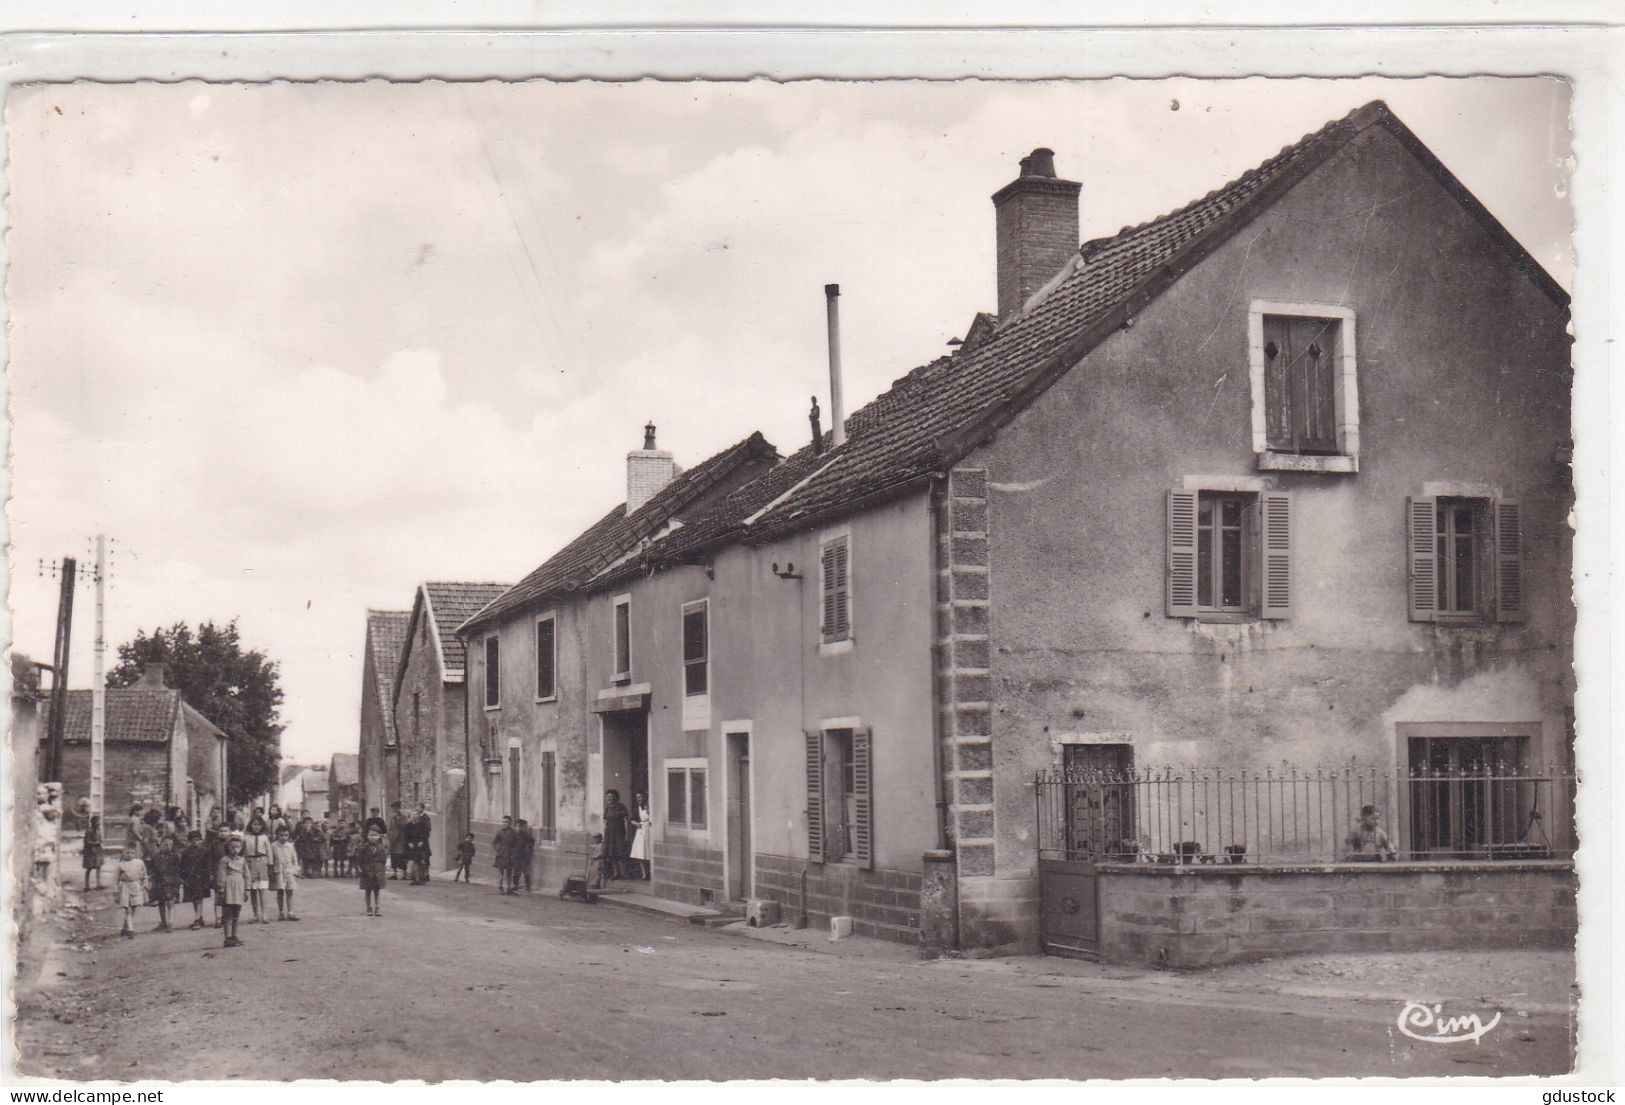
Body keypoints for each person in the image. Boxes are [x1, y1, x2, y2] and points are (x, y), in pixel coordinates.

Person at [216, 834, 249, 948]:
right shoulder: (224, 860)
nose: (235, 850)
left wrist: (247, 889)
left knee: (236, 913)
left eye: (238, 847)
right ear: (227, 848)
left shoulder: (242, 860)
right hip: (228, 888)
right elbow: (221, 876)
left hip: (239, 888)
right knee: (227, 914)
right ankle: (227, 938)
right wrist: (221, 889)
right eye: (232, 847)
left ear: (241, 848)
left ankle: (234, 936)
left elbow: (246, 875)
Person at [148, 833, 182, 932]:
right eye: (166, 845)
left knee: (170, 902)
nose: (168, 847)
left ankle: (170, 922)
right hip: (159, 882)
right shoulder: (156, 856)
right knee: (161, 902)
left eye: (171, 845)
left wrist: (177, 882)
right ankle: (163, 922)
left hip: (171, 882)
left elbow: (178, 870)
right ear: (161, 844)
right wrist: (151, 880)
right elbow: (152, 869)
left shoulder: (174, 856)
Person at [113, 842, 148, 940]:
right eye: (127, 852)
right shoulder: (120, 865)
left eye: (132, 853)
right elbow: (115, 879)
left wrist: (145, 884)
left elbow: (144, 874)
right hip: (124, 888)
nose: (129, 855)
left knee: (133, 908)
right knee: (127, 909)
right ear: (123, 853)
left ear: (135, 854)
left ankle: (125, 927)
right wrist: (115, 891)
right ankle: (131, 930)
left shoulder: (139, 862)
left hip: (136, 886)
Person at [242, 812, 273, 922]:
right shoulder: (246, 837)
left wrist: (270, 864)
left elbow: (269, 851)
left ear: (262, 826)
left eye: (259, 825)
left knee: (262, 890)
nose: (256, 827)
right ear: (250, 825)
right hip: (250, 863)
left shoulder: (264, 837)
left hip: (262, 862)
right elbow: (244, 852)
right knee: (253, 890)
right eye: (254, 824)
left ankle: (264, 914)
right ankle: (256, 915)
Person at [179, 829, 212, 929]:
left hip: (201, 878)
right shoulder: (185, 852)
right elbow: (182, 865)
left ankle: (197, 919)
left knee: (199, 898)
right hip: (190, 878)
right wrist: (183, 876)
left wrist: (208, 876)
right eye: (193, 840)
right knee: (194, 899)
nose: (195, 842)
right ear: (189, 841)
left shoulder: (204, 851)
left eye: (198, 840)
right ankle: (199, 917)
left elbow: (208, 865)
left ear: (201, 840)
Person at [271, 825, 302, 921]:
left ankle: (290, 911)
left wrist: (295, 870)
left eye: (286, 835)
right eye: (281, 835)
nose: (284, 837)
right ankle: (281, 912)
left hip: (289, 870)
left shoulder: (290, 846)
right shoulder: (273, 846)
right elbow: (271, 860)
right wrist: (272, 871)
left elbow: (295, 859)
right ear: (277, 835)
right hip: (279, 871)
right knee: (280, 891)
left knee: (290, 891)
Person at [357, 825, 388, 917]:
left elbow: (383, 861)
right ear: (367, 836)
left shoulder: (381, 848)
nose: (373, 837)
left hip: (378, 872)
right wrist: (363, 870)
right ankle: (369, 908)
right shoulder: (363, 848)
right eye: (371, 835)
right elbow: (360, 861)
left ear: (379, 837)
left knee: (377, 891)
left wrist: (381, 870)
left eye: (375, 835)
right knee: (368, 891)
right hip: (367, 871)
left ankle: (378, 908)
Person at [602, 790, 631, 881]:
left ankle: (624, 873)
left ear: (615, 797)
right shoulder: (607, 808)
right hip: (609, 834)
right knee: (611, 853)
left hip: (619, 833)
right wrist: (604, 834)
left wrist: (627, 834)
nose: (608, 798)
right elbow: (605, 822)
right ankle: (616, 873)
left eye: (610, 796)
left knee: (621, 852)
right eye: (607, 797)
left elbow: (626, 821)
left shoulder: (621, 807)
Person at [628, 793, 651, 881]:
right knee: (641, 853)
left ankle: (651, 872)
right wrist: (636, 823)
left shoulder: (649, 806)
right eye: (637, 797)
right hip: (641, 831)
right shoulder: (637, 808)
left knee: (648, 851)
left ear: (645, 797)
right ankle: (645, 874)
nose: (639, 799)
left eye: (640, 796)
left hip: (649, 830)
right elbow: (631, 820)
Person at [81, 813, 105, 890]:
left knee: (99, 867)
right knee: (89, 868)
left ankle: (98, 884)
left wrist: (100, 842)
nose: (99, 823)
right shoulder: (89, 831)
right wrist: (96, 843)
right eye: (98, 822)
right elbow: (87, 842)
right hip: (90, 851)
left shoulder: (98, 830)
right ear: (93, 823)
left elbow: (100, 839)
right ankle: (87, 885)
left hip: (98, 851)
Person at [493, 816, 515, 894]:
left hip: (510, 854)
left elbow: (516, 843)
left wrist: (513, 851)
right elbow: (495, 842)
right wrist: (499, 849)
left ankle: (509, 888)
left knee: (509, 872)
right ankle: (500, 887)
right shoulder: (499, 832)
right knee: (500, 872)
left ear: (510, 823)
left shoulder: (513, 832)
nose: (504, 823)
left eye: (506, 822)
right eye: (503, 822)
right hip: (501, 855)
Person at [388, 804, 408, 881]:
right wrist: (389, 837)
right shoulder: (392, 818)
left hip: (401, 840)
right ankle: (394, 873)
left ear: (399, 809)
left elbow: (404, 826)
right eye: (393, 809)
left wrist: (398, 820)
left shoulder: (403, 818)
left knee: (402, 856)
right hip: (393, 840)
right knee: (394, 856)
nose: (394, 810)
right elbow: (390, 828)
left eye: (395, 809)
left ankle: (404, 874)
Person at [515, 818, 535, 892]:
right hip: (516, 855)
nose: (518, 828)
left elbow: (532, 841)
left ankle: (527, 887)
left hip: (524, 856)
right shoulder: (514, 835)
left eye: (520, 826)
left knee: (526, 871)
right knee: (517, 871)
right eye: (517, 826)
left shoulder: (525, 835)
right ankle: (515, 885)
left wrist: (529, 848)